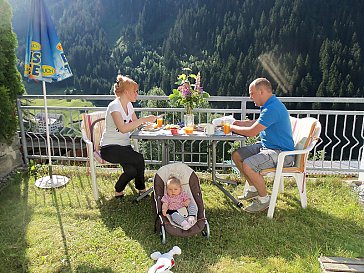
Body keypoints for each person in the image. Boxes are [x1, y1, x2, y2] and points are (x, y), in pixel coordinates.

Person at [230, 78, 295, 213]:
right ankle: (253, 189)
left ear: (261, 91)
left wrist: (230, 127)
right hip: (267, 146)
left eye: (252, 93)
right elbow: (257, 123)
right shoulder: (269, 105)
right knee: (237, 155)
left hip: (281, 152)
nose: (250, 97)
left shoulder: (272, 108)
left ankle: (264, 199)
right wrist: (239, 123)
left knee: (248, 164)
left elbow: (252, 132)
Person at [100, 75, 156, 199]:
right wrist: (142, 119)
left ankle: (118, 190)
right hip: (110, 148)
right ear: (126, 92)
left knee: (131, 171)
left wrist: (149, 125)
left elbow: (136, 124)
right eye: (134, 91)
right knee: (139, 159)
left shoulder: (129, 106)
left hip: (124, 147)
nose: (137, 94)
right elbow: (123, 128)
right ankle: (142, 190)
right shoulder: (114, 107)